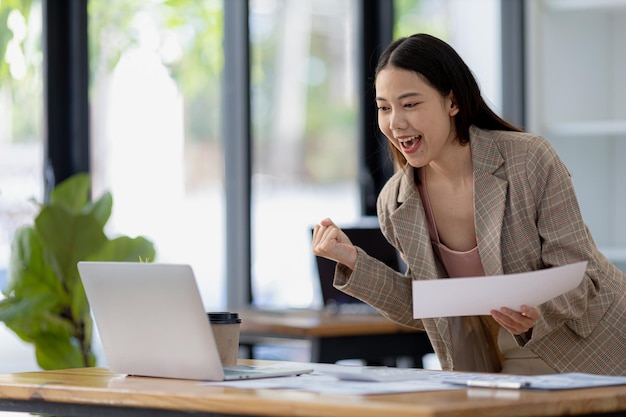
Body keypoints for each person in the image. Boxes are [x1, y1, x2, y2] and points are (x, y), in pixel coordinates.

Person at [312, 33, 626, 375]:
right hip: (489, 358)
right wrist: (354, 261)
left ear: (452, 102)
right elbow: (427, 305)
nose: (395, 122)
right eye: (384, 107)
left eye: (410, 104)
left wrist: (540, 312)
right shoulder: (396, 202)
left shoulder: (528, 159)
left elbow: (582, 275)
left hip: (589, 344)